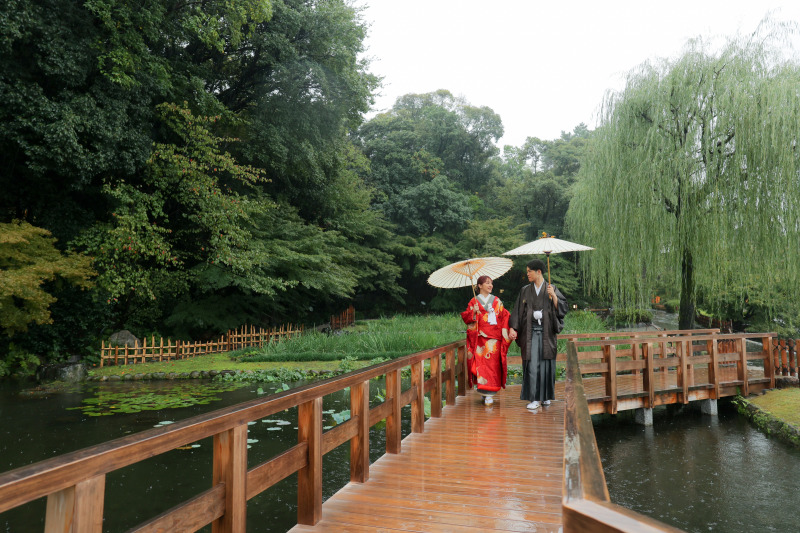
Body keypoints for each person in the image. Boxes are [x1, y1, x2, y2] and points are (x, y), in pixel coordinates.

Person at [508, 259, 568, 411]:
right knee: (533, 364)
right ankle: (534, 398)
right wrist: (513, 328)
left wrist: (553, 296)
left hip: (547, 333)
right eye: (527, 271)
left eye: (529, 271)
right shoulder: (525, 290)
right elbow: (517, 311)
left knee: (547, 365)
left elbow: (562, 310)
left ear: (539, 272)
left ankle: (546, 396)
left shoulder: (551, 288)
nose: (527, 274)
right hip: (531, 332)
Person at [460, 275, 510, 405]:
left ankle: (489, 394)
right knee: (480, 367)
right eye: (487, 283)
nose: (490, 285)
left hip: (494, 340)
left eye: (491, 283)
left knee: (492, 367)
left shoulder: (497, 300)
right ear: (479, 286)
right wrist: (473, 313)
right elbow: (466, 318)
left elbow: (504, 316)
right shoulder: (473, 302)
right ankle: (484, 391)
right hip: (479, 339)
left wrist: (509, 331)